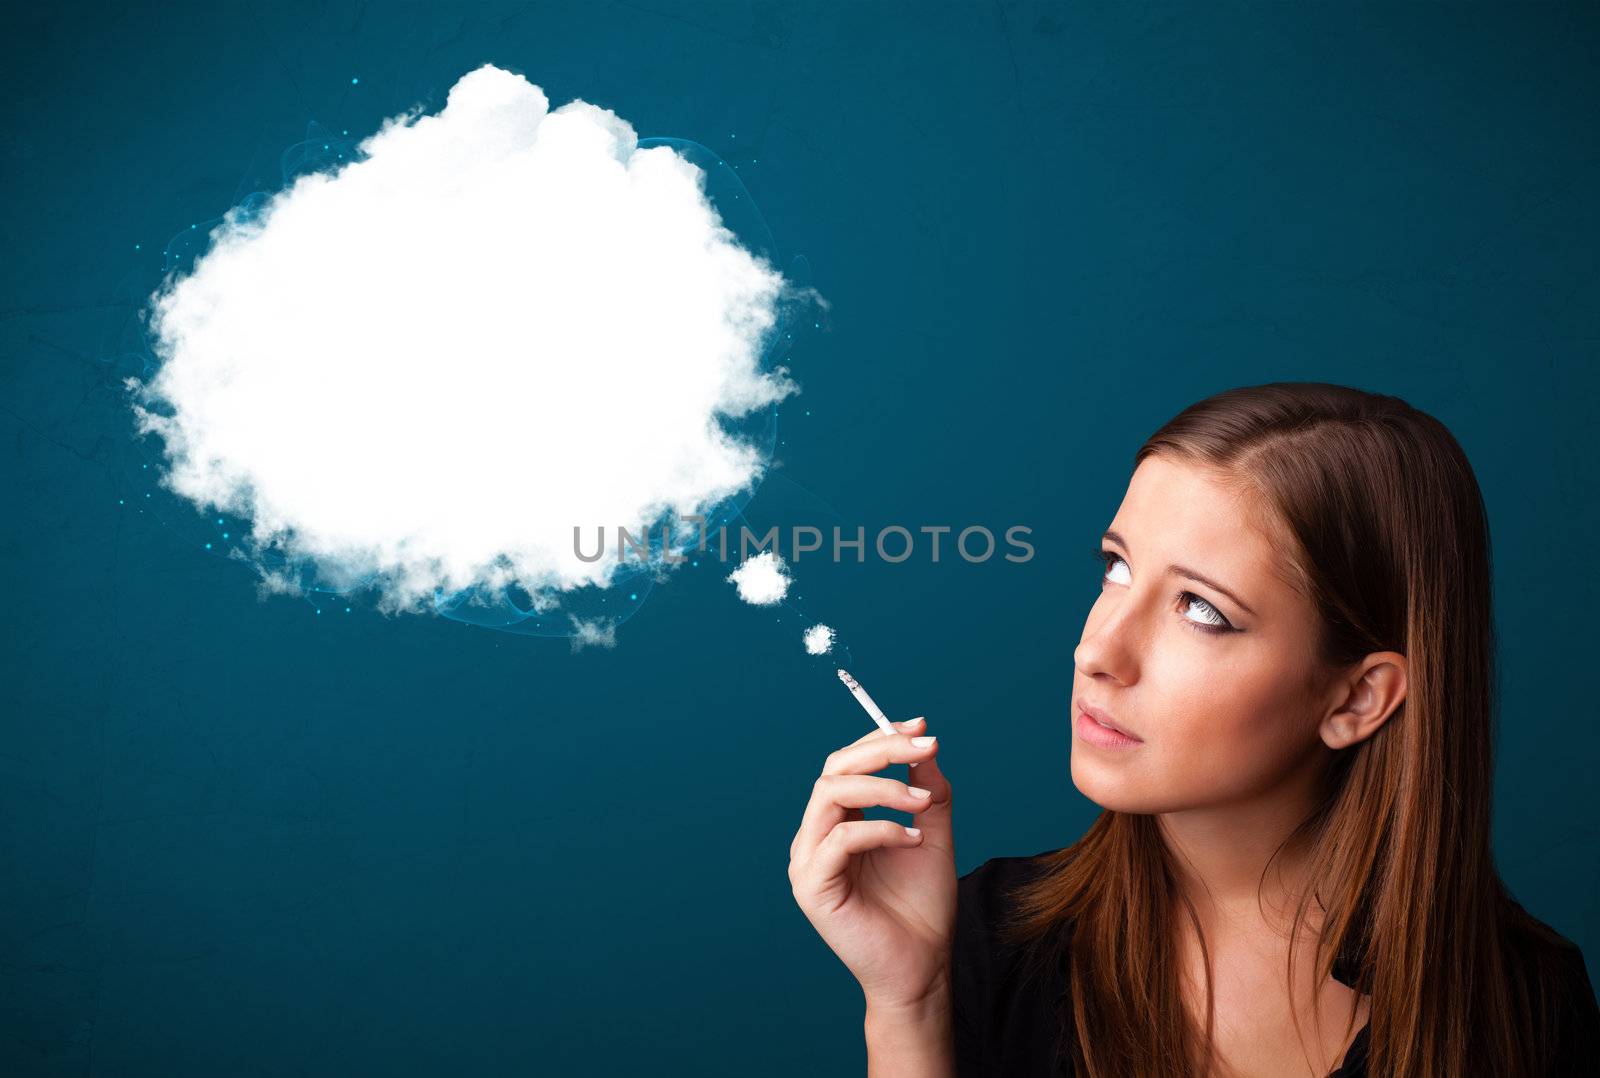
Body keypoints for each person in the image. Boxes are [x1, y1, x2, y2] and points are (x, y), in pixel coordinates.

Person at [788, 383, 1600, 1077]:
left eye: (1202, 610)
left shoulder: (1525, 1006)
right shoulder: (992, 949)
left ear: (1357, 700)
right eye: (1116, 567)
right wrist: (910, 1005)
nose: (1096, 649)